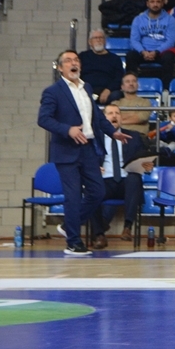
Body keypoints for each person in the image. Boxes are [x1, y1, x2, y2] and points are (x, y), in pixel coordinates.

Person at [38, 50, 130, 255]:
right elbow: (43, 119)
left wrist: (113, 132)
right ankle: (73, 242)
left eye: (76, 60)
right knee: (72, 196)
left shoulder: (86, 87)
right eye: (68, 61)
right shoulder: (53, 91)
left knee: (98, 191)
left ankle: (69, 225)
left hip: (88, 148)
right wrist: (67, 130)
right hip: (66, 150)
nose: (74, 63)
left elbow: (97, 116)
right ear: (60, 68)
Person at [89, 105, 149, 249]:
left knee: (134, 179)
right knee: (92, 190)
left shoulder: (133, 137)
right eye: (110, 113)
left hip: (126, 181)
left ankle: (127, 227)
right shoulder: (95, 138)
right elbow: (85, 160)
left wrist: (146, 166)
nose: (114, 116)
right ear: (103, 118)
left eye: (117, 113)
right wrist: (93, 168)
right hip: (105, 180)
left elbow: (143, 159)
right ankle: (99, 235)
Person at [126, 0, 175, 84]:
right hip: (143, 52)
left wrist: (156, 51)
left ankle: (166, 88)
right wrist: (142, 51)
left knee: (169, 57)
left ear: (162, 3)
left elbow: (171, 40)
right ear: (147, 4)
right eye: (152, 2)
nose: (155, 4)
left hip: (161, 52)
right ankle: (131, 85)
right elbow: (134, 40)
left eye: (158, 2)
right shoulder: (138, 19)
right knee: (130, 56)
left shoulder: (170, 20)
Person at [79, 29, 124, 104]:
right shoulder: (82, 57)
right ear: (90, 42)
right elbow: (78, 75)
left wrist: (108, 90)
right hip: (87, 91)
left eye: (101, 37)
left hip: (108, 92)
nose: (98, 40)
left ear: (105, 41)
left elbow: (119, 78)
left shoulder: (115, 59)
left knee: (117, 95)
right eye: (95, 38)